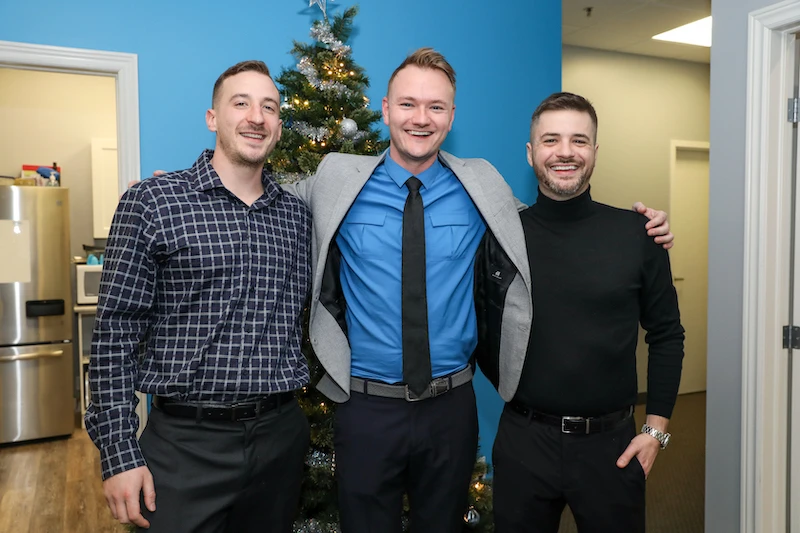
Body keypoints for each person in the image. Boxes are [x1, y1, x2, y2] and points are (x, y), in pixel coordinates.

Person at [283, 50, 673, 533]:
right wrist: (191, 189)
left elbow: (545, 224)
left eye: (436, 107)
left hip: (451, 408)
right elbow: (266, 198)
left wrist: (646, 227)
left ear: (451, 116)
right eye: (408, 105)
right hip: (365, 408)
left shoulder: (481, 184)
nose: (421, 119)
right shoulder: (336, 178)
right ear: (385, 109)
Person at [85, 60, 312, 533]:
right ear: (213, 118)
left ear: (278, 127)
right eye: (241, 103)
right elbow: (114, 336)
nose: (256, 116)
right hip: (185, 443)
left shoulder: (297, 217)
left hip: (279, 437)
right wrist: (119, 453)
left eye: (269, 107)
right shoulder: (153, 201)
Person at [476, 92, 685, 533]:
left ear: (594, 152)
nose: (565, 152)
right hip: (523, 443)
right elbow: (475, 324)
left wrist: (656, 431)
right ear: (532, 153)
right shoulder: (502, 239)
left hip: (612, 445)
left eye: (579, 140)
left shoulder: (637, 234)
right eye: (551, 140)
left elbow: (667, 334)